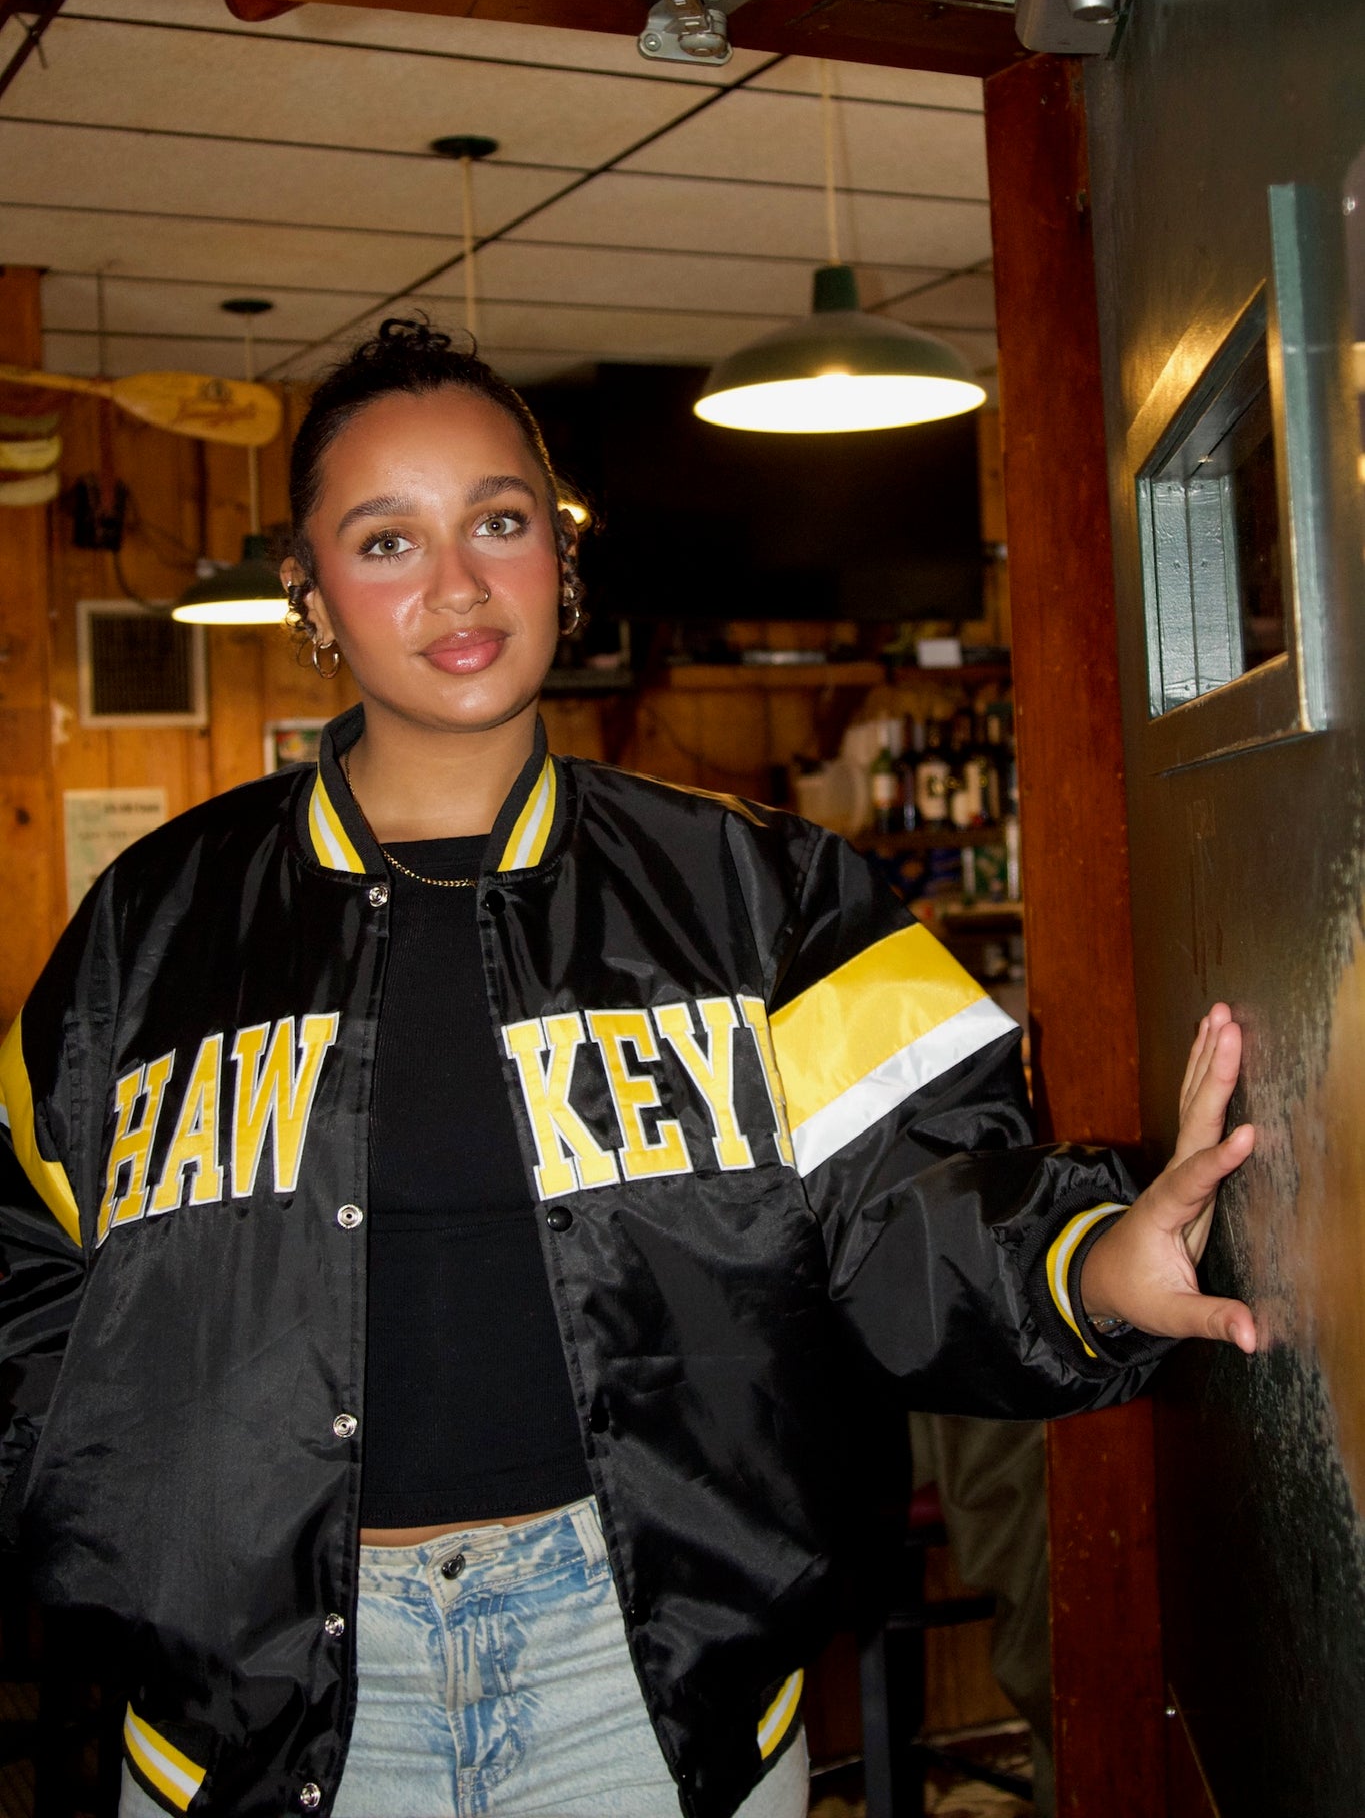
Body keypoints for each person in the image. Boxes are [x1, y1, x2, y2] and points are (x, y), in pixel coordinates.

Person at [0, 321, 1256, 1818]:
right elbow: (25, 1275)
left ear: (561, 556)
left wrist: (1094, 1265)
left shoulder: (767, 895)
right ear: (311, 592)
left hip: (647, 1693)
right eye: (387, 540)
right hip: (246, 1718)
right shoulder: (153, 926)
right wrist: (136, 1551)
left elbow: (922, 1205)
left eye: (499, 522)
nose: (458, 585)